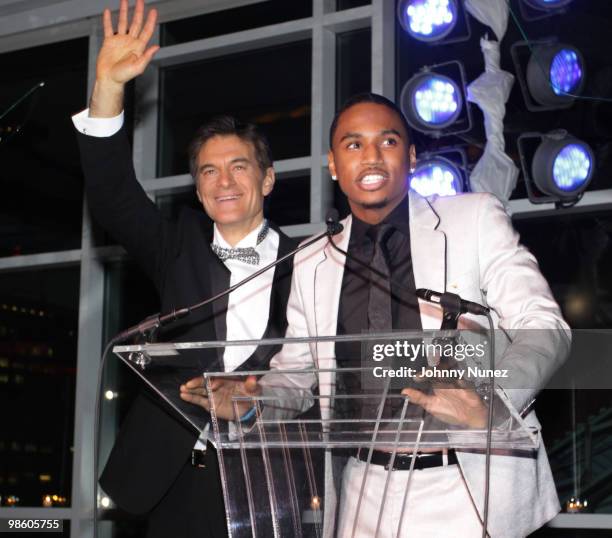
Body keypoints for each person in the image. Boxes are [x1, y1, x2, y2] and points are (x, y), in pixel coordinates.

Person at [208, 92, 571, 537]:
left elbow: (543, 326)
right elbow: (298, 375)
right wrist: (251, 404)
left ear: (412, 156)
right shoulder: (310, 259)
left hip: (466, 483)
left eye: (389, 141)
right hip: (362, 490)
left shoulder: (471, 219)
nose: (372, 156)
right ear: (334, 165)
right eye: (354, 144)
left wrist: (493, 401)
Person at [72, 1, 297, 536]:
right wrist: (107, 86)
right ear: (197, 190)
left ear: (266, 180)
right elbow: (112, 197)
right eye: (209, 172)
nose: (224, 182)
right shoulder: (176, 246)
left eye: (239, 167)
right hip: (170, 480)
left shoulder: (307, 262)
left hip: (263, 482)